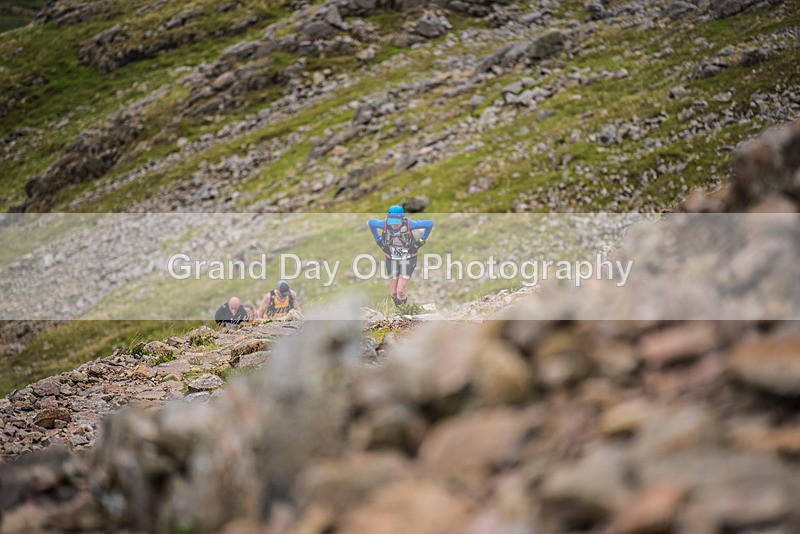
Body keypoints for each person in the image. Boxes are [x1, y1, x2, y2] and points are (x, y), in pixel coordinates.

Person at [368, 205, 434, 306]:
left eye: (396, 222)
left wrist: (421, 241)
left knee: (401, 291)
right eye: (391, 222)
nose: (394, 225)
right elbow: (371, 223)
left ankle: (403, 313)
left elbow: (429, 224)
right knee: (394, 293)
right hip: (392, 259)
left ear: (402, 218)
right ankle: (399, 310)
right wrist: (378, 241)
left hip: (408, 258)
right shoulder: (384, 224)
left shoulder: (409, 224)